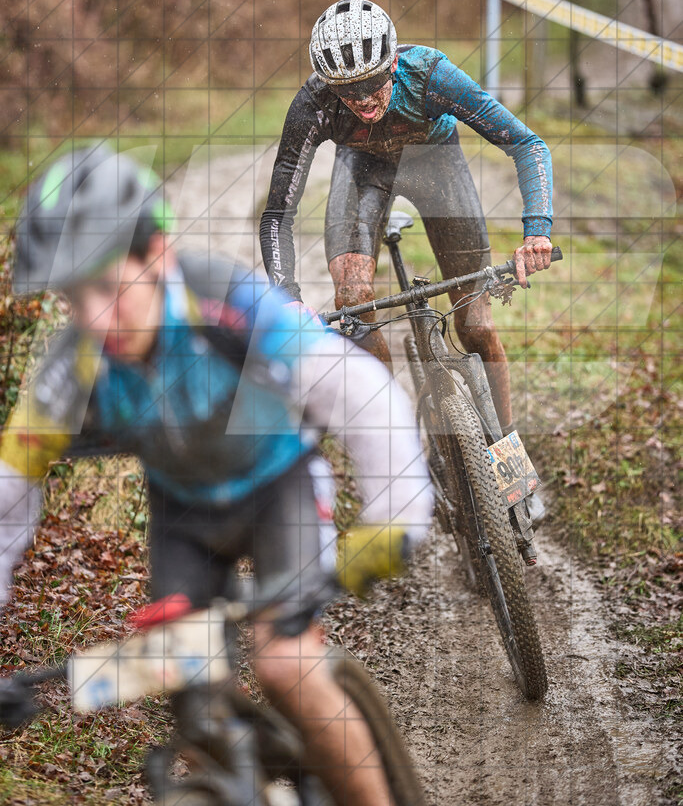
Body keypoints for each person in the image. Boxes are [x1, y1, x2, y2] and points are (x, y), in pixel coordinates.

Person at [0, 144, 433, 806]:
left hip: (276, 487)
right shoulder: (76, 365)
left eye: (107, 286)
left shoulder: (227, 303)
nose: (93, 318)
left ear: (157, 253)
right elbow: (8, 489)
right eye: (72, 297)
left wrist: (395, 517)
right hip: (184, 519)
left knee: (284, 663)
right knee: (189, 699)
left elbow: (356, 389)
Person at [259, 0, 554, 435]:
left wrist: (537, 231)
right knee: (353, 301)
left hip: (436, 162)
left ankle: (507, 445)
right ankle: (394, 433)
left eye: (371, 84)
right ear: (328, 83)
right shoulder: (314, 103)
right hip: (362, 170)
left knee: (475, 321)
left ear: (392, 64)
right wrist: (286, 293)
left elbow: (527, 143)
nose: (362, 100)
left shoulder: (431, 75)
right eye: (347, 90)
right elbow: (278, 213)